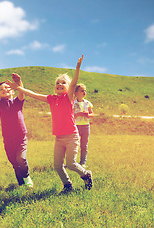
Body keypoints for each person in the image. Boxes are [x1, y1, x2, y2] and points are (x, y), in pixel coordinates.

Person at [6, 55, 93, 192]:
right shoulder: (51, 99)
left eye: (63, 83)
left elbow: (74, 81)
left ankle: (86, 174)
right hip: (59, 138)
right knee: (58, 165)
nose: (59, 84)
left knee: (71, 164)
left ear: (68, 87)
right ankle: (67, 185)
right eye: (57, 83)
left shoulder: (68, 97)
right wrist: (18, 88)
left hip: (71, 137)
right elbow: (33, 94)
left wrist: (77, 68)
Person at [0, 70, 33, 188]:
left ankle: (27, 177)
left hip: (20, 137)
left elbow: (21, 94)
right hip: (8, 139)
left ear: (12, 90)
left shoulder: (17, 102)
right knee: (14, 162)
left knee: (21, 159)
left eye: (7, 87)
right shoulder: (0, 104)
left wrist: (19, 83)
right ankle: (21, 184)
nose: (4, 90)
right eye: (1, 89)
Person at [74, 83, 94, 167]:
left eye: (85, 91)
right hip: (76, 126)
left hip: (86, 126)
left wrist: (88, 115)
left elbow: (92, 114)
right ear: (76, 93)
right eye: (82, 91)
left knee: (84, 145)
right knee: (74, 144)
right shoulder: (73, 103)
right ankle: (72, 162)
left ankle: (83, 162)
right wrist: (78, 114)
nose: (84, 92)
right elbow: (71, 115)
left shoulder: (87, 103)